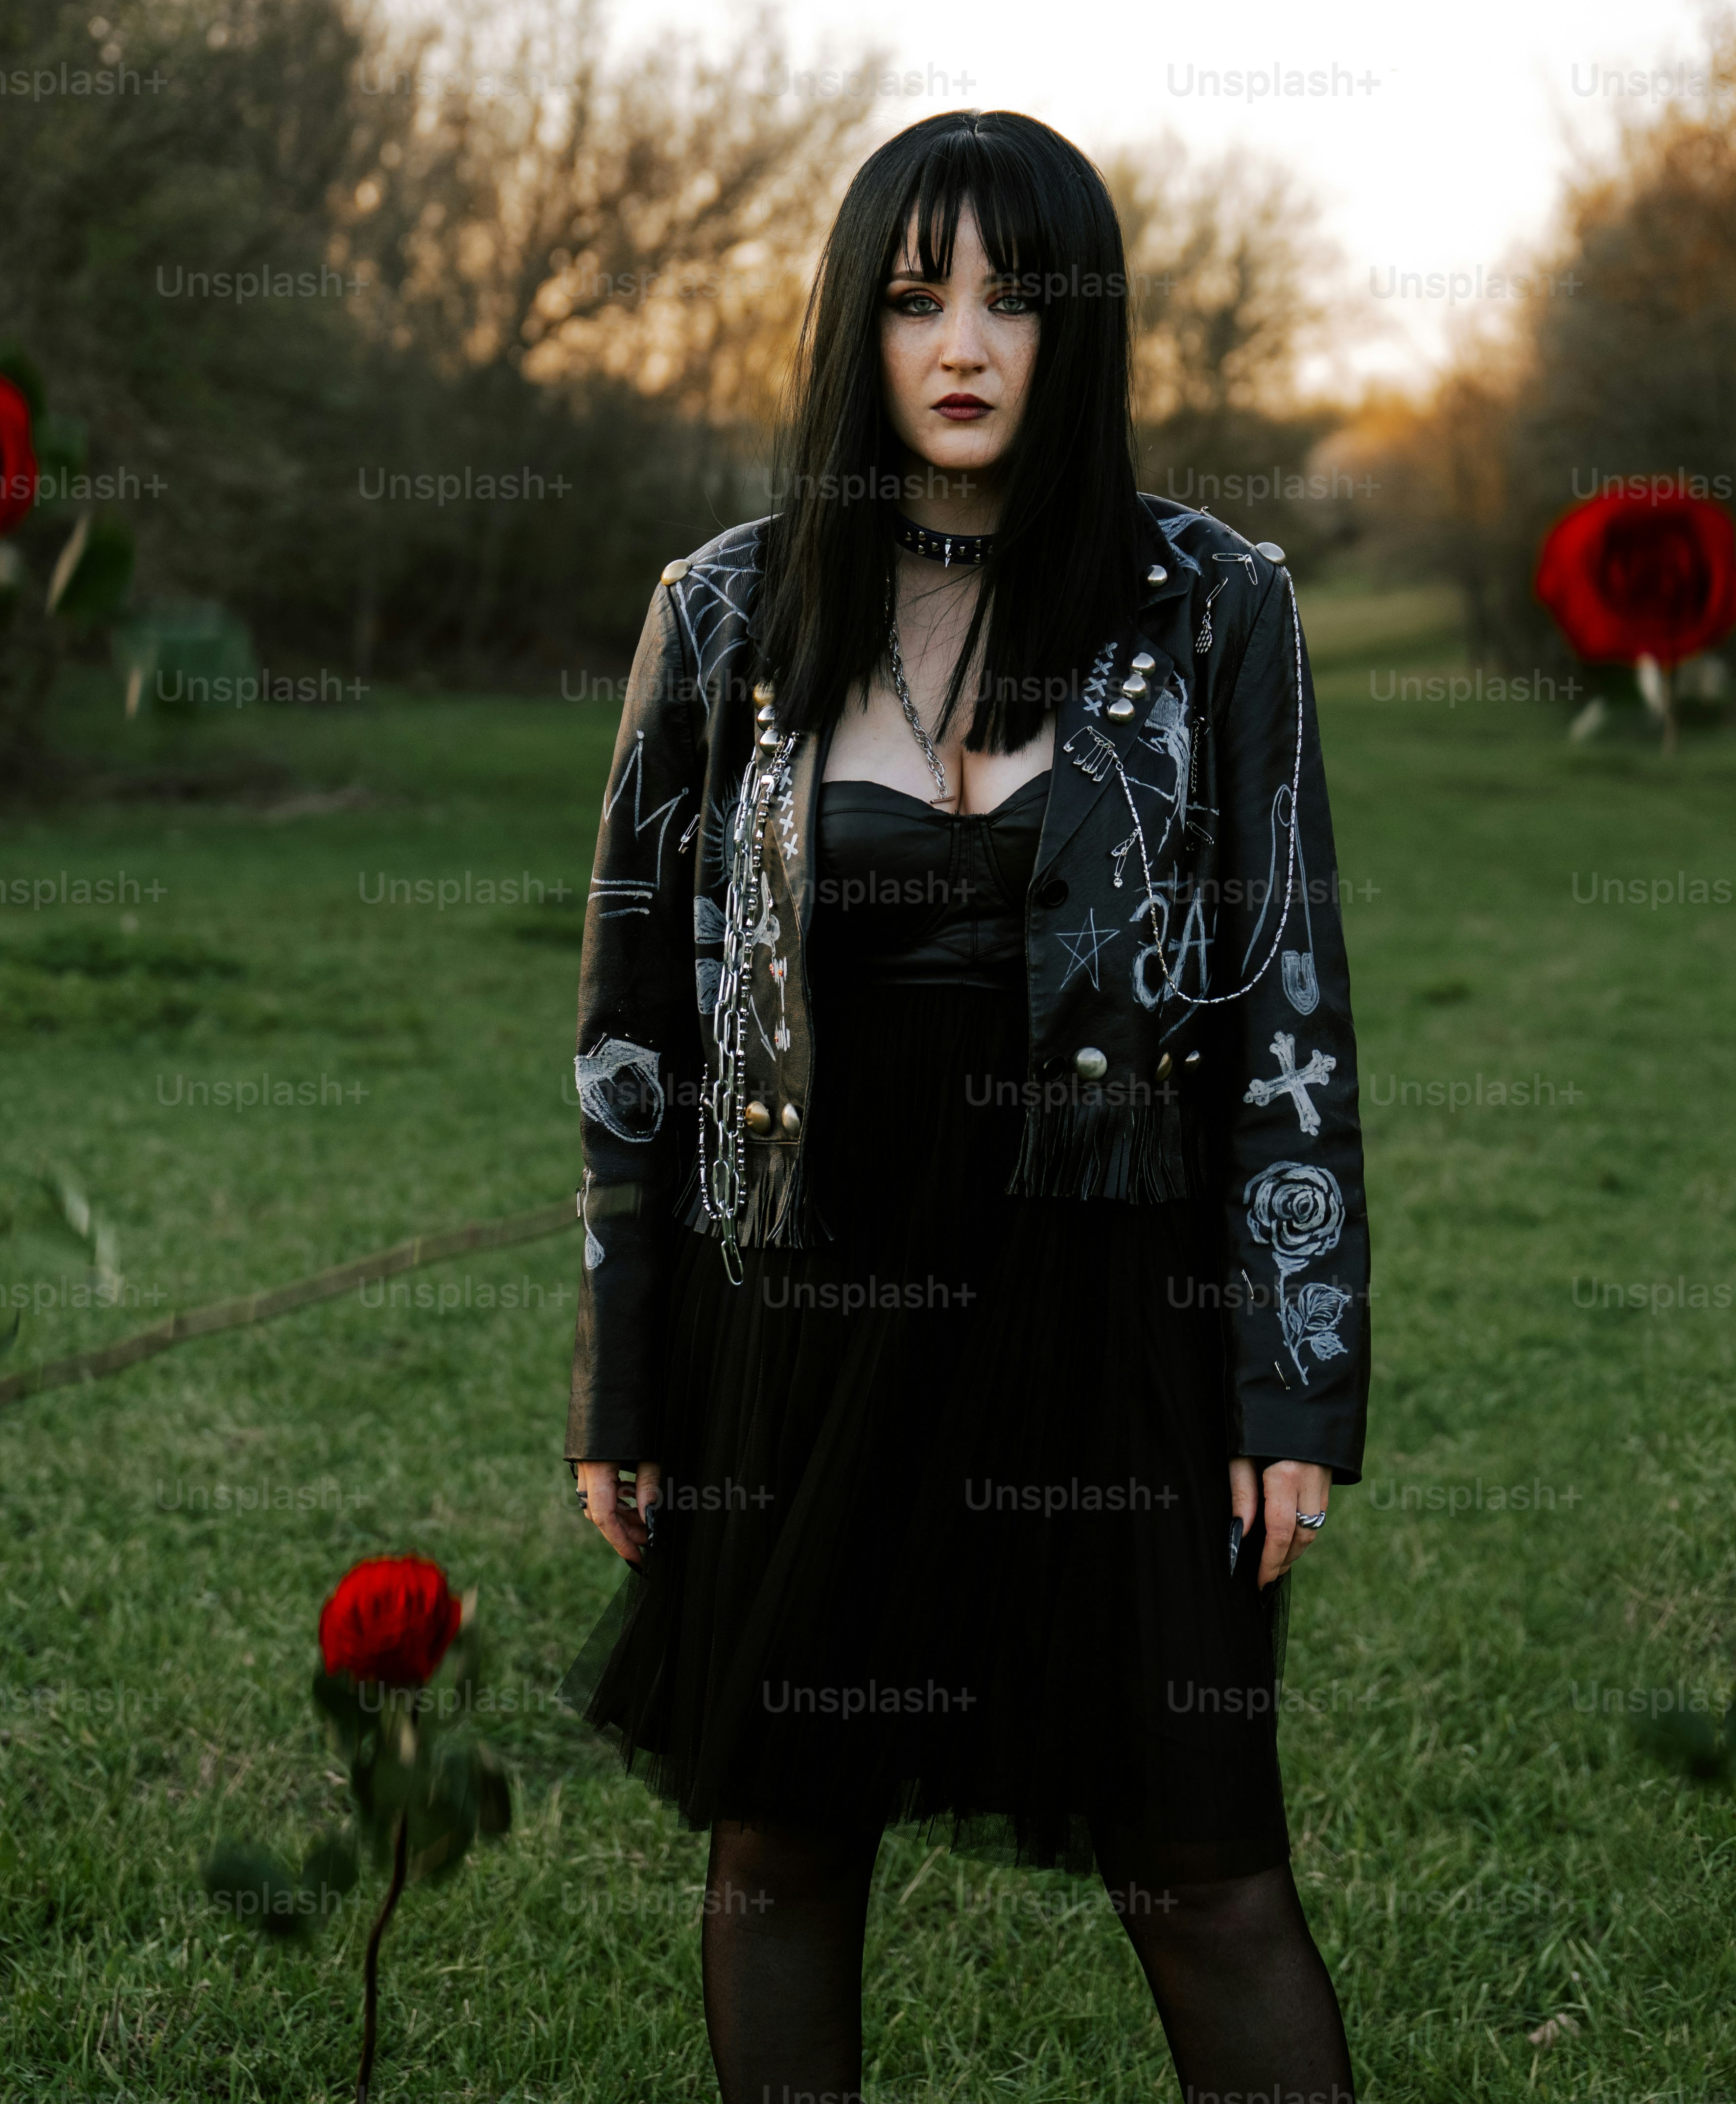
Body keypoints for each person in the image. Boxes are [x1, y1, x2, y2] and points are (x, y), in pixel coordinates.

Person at [559, 109, 1371, 2104]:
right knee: (781, 1849)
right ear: (858, 325)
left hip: (1114, 1310)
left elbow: (1291, 1010)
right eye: (919, 294)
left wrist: (1293, 1388)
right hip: (807, 1302)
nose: (967, 338)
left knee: (1206, 1870)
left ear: (1078, 327)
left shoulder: (1214, 605)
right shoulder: (732, 612)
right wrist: (626, 1374)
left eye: (1017, 295)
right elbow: (634, 1017)